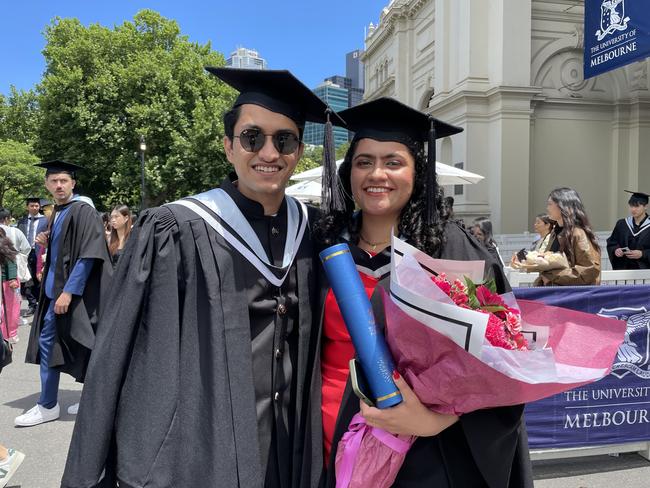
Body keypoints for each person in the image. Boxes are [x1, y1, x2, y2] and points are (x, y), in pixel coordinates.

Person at [62, 68, 346, 488]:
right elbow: (131, 351)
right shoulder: (175, 229)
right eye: (252, 138)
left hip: (293, 444)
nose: (269, 152)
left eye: (283, 140)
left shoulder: (314, 229)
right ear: (229, 147)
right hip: (207, 446)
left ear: (299, 152)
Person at [313, 97, 532, 487]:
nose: (376, 173)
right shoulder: (325, 247)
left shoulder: (453, 250)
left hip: (426, 458)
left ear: (418, 174)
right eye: (364, 161)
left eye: (393, 162)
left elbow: (506, 362)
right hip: (330, 446)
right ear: (348, 172)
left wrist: (433, 421)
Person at [16, 160, 112, 427]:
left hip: (75, 295)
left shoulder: (84, 211)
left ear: (73, 183)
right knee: (53, 344)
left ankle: (57, 403)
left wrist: (69, 292)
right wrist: (49, 239)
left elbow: (88, 254)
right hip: (53, 293)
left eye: (63, 181)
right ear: (47, 185)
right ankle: (50, 403)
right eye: (54, 181)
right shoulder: (59, 212)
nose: (58, 185)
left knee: (88, 343)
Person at [534, 187, 601, 286]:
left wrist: (552, 276)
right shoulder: (554, 232)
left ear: (563, 206)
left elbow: (589, 270)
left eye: (550, 204)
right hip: (556, 294)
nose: (547, 208)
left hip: (572, 297)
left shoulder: (578, 233)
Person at [17, 197, 49, 316]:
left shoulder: (46, 220)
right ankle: (32, 304)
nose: (34, 208)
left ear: (39, 207)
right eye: (32, 206)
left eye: (36, 206)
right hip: (25, 253)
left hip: (41, 252)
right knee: (27, 279)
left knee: (41, 278)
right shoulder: (22, 221)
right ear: (27, 207)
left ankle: (41, 304)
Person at [606, 190, 650, 270]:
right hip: (624, 270)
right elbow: (612, 243)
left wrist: (643, 254)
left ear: (645, 206)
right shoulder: (622, 224)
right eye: (631, 206)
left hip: (645, 272)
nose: (633, 209)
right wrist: (616, 250)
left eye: (637, 206)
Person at [0, 228, 20, 343]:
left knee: (10, 309)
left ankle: (11, 333)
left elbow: (11, 262)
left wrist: (12, 279)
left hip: (6, 283)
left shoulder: (4, 244)